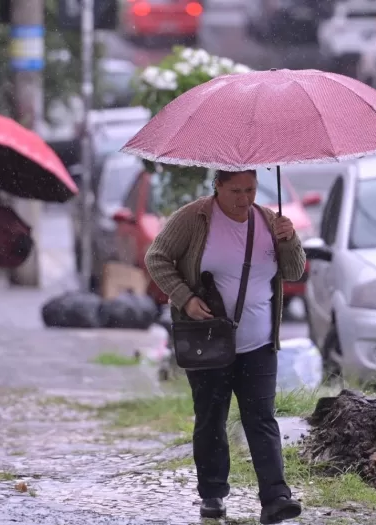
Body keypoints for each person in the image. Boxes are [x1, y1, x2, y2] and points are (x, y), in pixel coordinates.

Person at [144, 169, 306, 524]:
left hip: (259, 343)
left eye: (250, 190)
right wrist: (184, 298)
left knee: (261, 419)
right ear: (217, 185)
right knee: (211, 419)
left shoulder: (268, 220)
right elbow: (156, 258)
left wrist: (289, 239)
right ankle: (213, 493)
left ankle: (276, 498)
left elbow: (293, 272)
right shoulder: (193, 218)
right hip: (208, 342)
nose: (243, 198)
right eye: (235, 190)